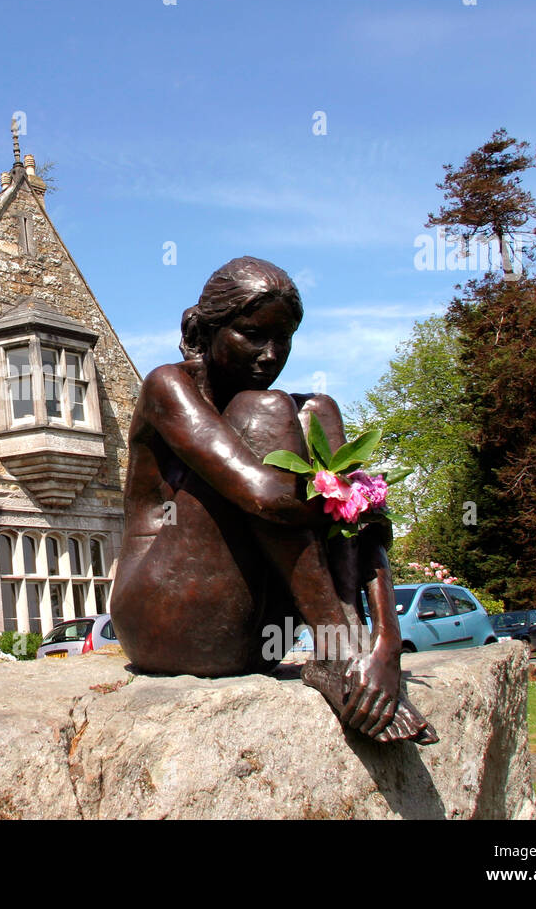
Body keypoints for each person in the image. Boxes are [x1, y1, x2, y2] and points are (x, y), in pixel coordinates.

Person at [110, 257, 436, 743]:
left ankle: (352, 650)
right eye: (252, 335)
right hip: (164, 620)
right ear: (205, 328)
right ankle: (340, 652)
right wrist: (356, 497)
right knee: (264, 411)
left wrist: (388, 641)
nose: (270, 354)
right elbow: (265, 496)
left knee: (316, 409)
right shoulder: (167, 386)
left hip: (256, 633)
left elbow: (352, 522)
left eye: (282, 339)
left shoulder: (301, 411)